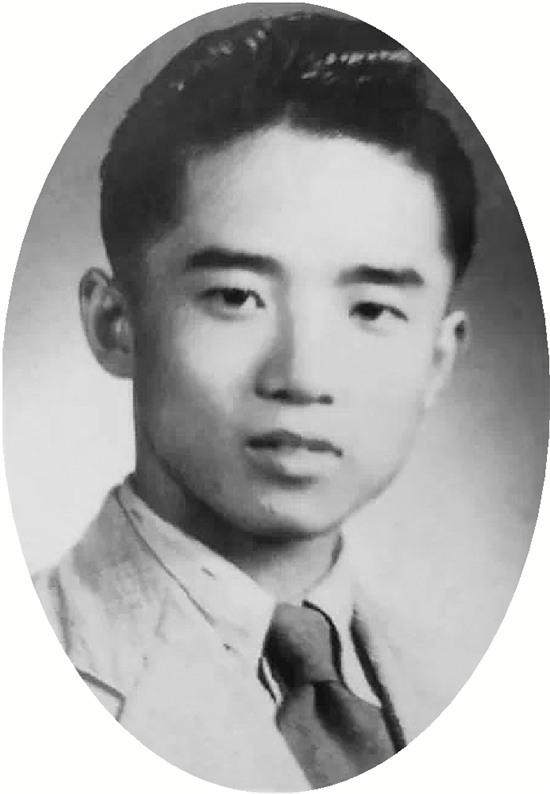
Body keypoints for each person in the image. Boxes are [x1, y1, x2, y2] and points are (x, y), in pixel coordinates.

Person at [33, 11, 476, 791]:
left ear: (438, 361)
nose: (302, 376)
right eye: (237, 296)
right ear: (115, 323)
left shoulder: (479, 686)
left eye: (373, 309)